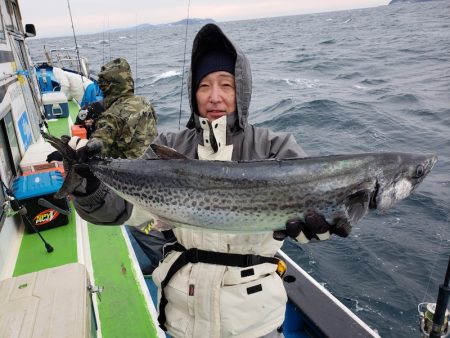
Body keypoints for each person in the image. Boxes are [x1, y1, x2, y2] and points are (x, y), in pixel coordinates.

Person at [66, 24, 350, 338]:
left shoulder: (276, 148)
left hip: (253, 323)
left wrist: (319, 225)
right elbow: (120, 208)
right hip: (182, 318)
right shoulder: (169, 147)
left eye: (226, 84)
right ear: (193, 92)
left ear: (241, 89)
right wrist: (88, 187)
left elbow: (312, 197)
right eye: (204, 85)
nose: (214, 97)